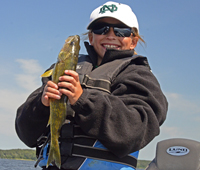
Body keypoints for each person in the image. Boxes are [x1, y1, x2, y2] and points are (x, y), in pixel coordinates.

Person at [15, 1, 168, 170]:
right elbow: (25, 134)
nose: (110, 35)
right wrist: (40, 104)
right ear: (90, 37)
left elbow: (135, 131)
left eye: (121, 30)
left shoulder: (139, 75)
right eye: (101, 28)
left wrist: (83, 99)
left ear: (133, 41)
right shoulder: (59, 70)